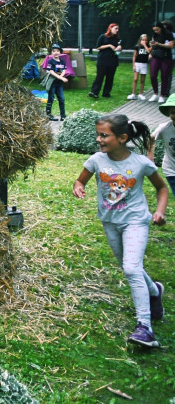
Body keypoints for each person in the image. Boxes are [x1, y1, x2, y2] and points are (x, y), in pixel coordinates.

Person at [73, 114, 168, 348]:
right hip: (110, 221)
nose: (99, 139)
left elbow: (161, 187)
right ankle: (154, 290)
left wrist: (160, 211)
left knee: (131, 268)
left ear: (122, 138)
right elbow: (80, 181)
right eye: (99, 134)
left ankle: (145, 327)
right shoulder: (96, 160)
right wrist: (79, 187)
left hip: (136, 221)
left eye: (104, 135)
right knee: (129, 266)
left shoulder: (140, 164)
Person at [88, 23, 121, 99]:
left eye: (118, 29)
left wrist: (119, 47)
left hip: (113, 60)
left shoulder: (117, 38)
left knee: (110, 78)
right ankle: (94, 92)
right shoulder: (103, 37)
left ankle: (106, 93)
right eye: (115, 28)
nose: (117, 30)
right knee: (99, 76)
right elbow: (98, 47)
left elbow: (119, 46)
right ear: (110, 28)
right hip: (102, 60)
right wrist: (109, 45)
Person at [41, 44, 73, 121]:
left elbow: (64, 70)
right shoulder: (51, 61)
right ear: (51, 52)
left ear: (60, 53)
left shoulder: (62, 61)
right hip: (52, 82)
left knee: (61, 99)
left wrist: (61, 77)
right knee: (51, 98)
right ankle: (48, 115)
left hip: (59, 83)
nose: (56, 52)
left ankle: (63, 115)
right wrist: (61, 78)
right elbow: (51, 72)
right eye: (54, 51)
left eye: (58, 51)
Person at [150, 97, 175, 197]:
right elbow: (151, 138)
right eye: (173, 113)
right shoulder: (164, 128)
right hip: (171, 169)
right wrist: (150, 157)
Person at [148, 22, 174, 103]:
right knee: (152, 75)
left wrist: (159, 44)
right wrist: (152, 45)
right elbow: (153, 45)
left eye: (157, 29)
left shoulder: (168, 34)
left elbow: (171, 46)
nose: (156, 31)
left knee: (164, 76)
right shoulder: (155, 35)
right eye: (154, 30)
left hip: (166, 57)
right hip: (156, 55)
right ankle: (155, 93)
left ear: (161, 28)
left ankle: (162, 95)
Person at [129, 34, 151, 101]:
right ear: (140, 40)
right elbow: (134, 56)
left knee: (142, 80)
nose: (144, 41)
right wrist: (133, 65)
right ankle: (133, 94)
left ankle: (140, 94)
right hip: (137, 64)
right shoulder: (137, 47)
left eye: (145, 40)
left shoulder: (148, 46)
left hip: (144, 64)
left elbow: (149, 51)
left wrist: (144, 45)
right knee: (135, 79)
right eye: (142, 40)